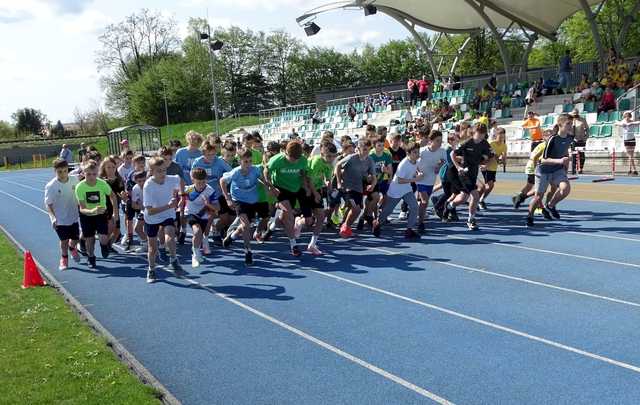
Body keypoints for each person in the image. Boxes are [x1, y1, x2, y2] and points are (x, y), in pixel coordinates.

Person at [220, 150, 272, 264]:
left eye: (250, 161)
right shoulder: (235, 172)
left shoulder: (255, 169)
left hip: (252, 200)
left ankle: (232, 236)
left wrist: (269, 188)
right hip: (239, 200)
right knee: (246, 225)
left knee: (246, 225)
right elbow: (222, 181)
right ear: (239, 161)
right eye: (245, 162)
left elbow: (262, 179)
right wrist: (227, 198)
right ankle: (248, 251)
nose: (248, 164)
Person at [263, 141, 312, 256]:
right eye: (291, 158)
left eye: (296, 159)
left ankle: (272, 227)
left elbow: (303, 173)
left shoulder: (303, 160)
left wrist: (306, 186)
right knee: (288, 215)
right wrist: (271, 187)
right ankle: (293, 245)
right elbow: (266, 172)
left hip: (297, 188)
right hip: (281, 188)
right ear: (285, 152)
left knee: (307, 220)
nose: (294, 161)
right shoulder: (277, 160)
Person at [526, 114, 574, 227]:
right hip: (544, 170)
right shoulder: (552, 139)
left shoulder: (570, 137)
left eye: (571, 124)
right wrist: (560, 161)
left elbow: (565, 150)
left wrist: (566, 160)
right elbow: (543, 160)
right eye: (568, 124)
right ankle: (529, 216)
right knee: (538, 197)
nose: (570, 126)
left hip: (558, 170)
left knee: (565, 188)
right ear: (560, 125)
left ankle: (551, 205)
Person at [443, 123, 493, 231]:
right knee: (475, 195)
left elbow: (491, 156)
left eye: (483, 135)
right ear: (474, 133)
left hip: (474, 173)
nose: (480, 137)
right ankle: (471, 220)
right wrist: (458, 167)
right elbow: (452, 154)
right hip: (464, 174)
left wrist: (486, 165)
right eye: (479, 135)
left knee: (462, 198)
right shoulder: (466, 143)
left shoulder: (485, 143)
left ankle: (449, 206)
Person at [143, 156, 184, 283]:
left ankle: (173, 259)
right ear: (151, 171)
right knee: (152, 248)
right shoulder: (148, 186)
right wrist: (169, 206)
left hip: (167, 215)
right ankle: (151, 270)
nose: (162, 173)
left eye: (164, 170)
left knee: (170, 237)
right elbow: (150, 210)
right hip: (152, 218)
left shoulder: (171, 179)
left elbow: (180, 180)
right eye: (158, 171)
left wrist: (182, 195)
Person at [373, 142, 422, 238]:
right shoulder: (403, 164)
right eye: (415, 152)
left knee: (414, 207)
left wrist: (419, 172)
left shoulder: (416, 161)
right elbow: (399, 180)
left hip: (407, 188)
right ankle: (377, 223)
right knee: (388, 210)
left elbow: (416, 167)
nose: (417, 154)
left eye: (418, 152)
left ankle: (409, 230)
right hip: (396, 189)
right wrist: (415, 179)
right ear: (408, 153)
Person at [191, 140, 232, 253]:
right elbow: (192, 176)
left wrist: (224, 178)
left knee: (226, 219)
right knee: (205, 219)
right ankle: (204, 240)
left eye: (213, 154)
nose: (211, 157)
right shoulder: (197, 162)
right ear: (203, 153)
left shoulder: (219, 161)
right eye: (208, 154)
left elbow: (231, 172)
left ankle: (215, 230)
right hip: (202, 195)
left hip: (217, 193)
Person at [75, 160, 116, 269]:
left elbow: (112, 195)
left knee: (103, 237)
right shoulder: (80, 187)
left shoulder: (102, 183)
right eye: (88, 174)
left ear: (97, 173)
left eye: (94, 174)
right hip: (86, 215)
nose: (91, 177)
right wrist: (92, 211)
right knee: (90, 238)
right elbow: (82, 208)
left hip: (101, 213)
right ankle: (91, 257)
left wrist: (115, 213)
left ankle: (104, 246)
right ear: (84, 173)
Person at [334, 139, 377, 238]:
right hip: (348, 188)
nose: (367, 152)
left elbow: (374, 177)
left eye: (369, 150)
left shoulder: (370, 160)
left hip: (359, 188)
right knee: (355, 208)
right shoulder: (351, 157)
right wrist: (339, 182)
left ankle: (345, 226)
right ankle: (345, 227)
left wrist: (372, 185)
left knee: (356, 210)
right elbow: (338, 165)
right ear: (358, 149)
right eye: (365, 149)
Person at [45, 159, 81, 271]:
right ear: (55, 171)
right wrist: (53, 217)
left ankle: (72, 247)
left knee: (75, 238)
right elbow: (48, 204)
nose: (63, 174)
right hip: (60, 219)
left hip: (74, 216)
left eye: (65, 171)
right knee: (64, 241)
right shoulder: (51, 186)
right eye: (59, 171)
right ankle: (64, 259)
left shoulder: (75, 180)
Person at [303, 142, 338, 255]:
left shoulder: (330, 164)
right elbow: (309, 180)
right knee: (307, 219)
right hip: (305, 189)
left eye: (334, 156)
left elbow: (328, 179)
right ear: (322, 154)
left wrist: (330, 189)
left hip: (316, 188)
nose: (331, 159)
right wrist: (316, 193)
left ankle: (312, 244)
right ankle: (298, 222)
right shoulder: (317, 161)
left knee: (321, 217)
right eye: (328, 156)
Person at [184, 167, 216, 268]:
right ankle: (195, 255)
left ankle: (201, 248)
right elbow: (179, 194)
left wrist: (208, 204)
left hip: (203, 216)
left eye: (203, 182)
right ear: (193, 180)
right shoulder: (188, 189)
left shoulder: (210, 190)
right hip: (191, 214)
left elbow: (217, 207)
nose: (201, 185)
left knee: (201, 233)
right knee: (197, 231)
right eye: (198, 183)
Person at [415, 130, 447, 231]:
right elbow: (412, 161)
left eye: (441, 141)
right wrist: (418, 172)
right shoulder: (422, 151)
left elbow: (444, 160)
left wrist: (439, 166)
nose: (439, 143)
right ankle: (420, 223)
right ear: (430, 140)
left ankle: (418, 216)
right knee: (424, 202)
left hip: (431, 180)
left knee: (424, 202)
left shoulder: (442, 151)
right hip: (420, 180)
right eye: (437, 140)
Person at [512, 129, 552, 209]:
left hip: (533, 166)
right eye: (548, 136)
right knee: (539, 189)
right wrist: (535, 169)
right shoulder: (544, 146)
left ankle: (519, 197)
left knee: (530, 186)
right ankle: (537, 207)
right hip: (534, 167)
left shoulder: (545, 145)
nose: (551, 138)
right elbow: (535, 158)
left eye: (552, 136)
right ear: (544, 137)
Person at [99, 156, 126, 249]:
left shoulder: (119, 180)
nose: (111, 170)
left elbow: (121, 192)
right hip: (105, 208)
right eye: (108, 167)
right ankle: (104, 246)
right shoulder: (101, 180)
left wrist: (123, 195)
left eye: (113, 167)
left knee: (117, 231)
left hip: (115, 208)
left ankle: (108, 246)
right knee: (109, 228)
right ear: (104, 168)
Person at [479, 128, 507, 209]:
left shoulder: (504, 145)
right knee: (489, 185)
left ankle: (480, 199)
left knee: (489, 186)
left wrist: (503, 160)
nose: (501, 138)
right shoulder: (491, 144)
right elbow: (485, 155)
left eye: (503, 136)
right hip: (486, 167)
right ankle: (479, 200)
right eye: (500, 136)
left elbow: (503, 157)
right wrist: (483, 164)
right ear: (496, 135)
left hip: (493, 168)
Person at [569, 109, 589, 174]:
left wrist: (586, 137)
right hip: (573, 140)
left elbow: (587, 129)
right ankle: (574, 169)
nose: (575, 116)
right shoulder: (570, 121)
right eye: (573, 115)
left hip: (581, 140)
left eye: (576, 114)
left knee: (582, 155)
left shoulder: (583, 120)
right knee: (574, 155)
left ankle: (581, 168)